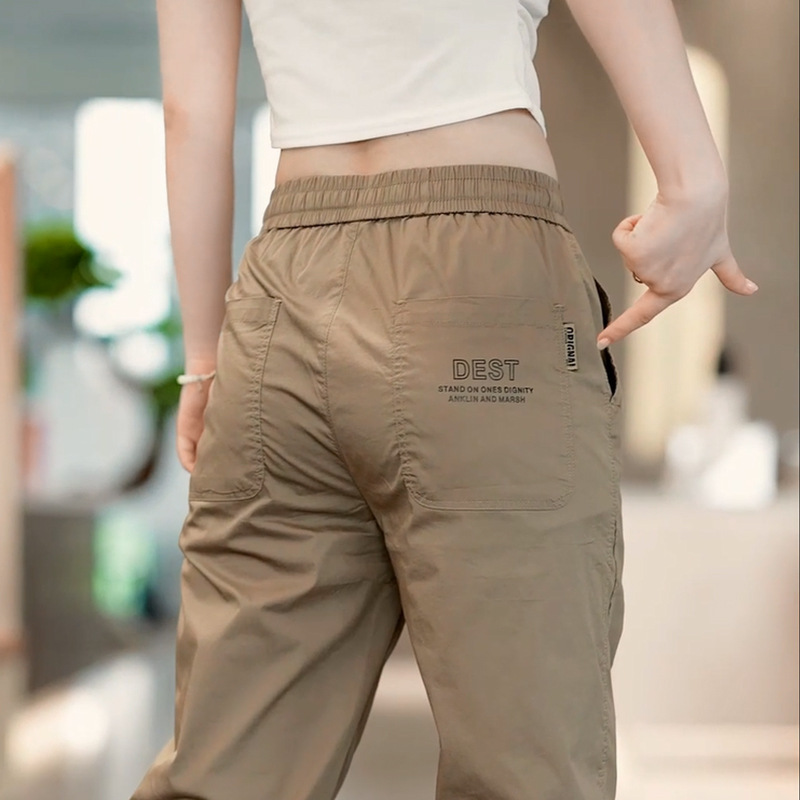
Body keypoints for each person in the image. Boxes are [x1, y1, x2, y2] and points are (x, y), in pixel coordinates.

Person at [132, 1, 757, 798]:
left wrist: (203, 359)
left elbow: (190, 115)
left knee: (228, 765)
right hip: (481, 274)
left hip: (282, 293)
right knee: (523, 763)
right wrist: (693, 179)